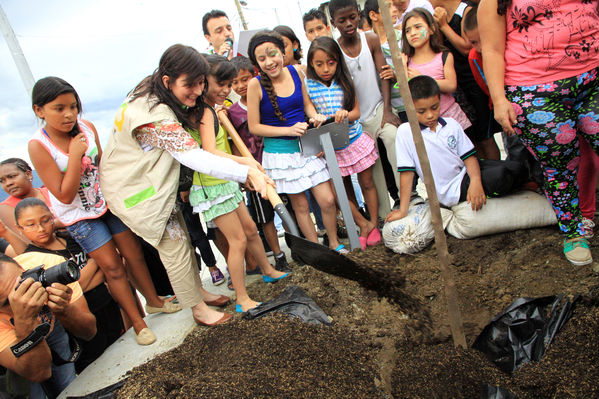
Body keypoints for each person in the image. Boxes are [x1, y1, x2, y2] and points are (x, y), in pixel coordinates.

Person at [99, 44, 274, 326]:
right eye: (189, 85)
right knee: (175, 244)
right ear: (168, 81)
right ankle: (198, 309)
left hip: (148, 181)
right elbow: (195, 157)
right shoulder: (153, 115)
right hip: (134, 190)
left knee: (180, 233)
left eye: (200, 82)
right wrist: (247, 174)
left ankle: (197, 292)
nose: (196, 90)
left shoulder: (153, 84)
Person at [28, 77, 180, 346]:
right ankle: (138, 322)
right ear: (39, 110)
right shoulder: (38, 146)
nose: (69, 114)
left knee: (134, 254)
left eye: (73, 107)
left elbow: (102, 166)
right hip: (80, 216)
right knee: (112, 267)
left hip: (107, 203)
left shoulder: (86, 127)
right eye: (59, 108)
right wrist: (75, 156)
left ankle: (155, 302)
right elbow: (63, 193)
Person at [478, 0, 599, 265]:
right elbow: (492, 49)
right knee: (560, 164)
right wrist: (499, 99)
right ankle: (573, 232)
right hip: (535, 93)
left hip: (593, 77)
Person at [188, 55, 289, 312]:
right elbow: (209, 151)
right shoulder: (204, 112)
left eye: (229, 83)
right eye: (220, 83)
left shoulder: (214, 109)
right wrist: (244, 163)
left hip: (225, 181)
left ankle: (267, 270)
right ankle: (242, 299)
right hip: (212, 187)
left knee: (250, 229)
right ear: (202, 82)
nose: (226, 89)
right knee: (237, 241)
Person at [246, 30, 348, 253]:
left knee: (328, 200)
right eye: (261, 59)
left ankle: (333, 242)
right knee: (300, 206)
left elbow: (307, 104)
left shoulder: (295, 72)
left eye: (272, 54)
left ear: (283, 52)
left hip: (307, 147)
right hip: (281, 154)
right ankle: (317, 252)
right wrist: (288, 129)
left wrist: (313, 116)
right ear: (256, 63)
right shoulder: (255, 85)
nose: (269, 62)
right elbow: (254, 127)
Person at [386, 76, 525, 223]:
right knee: (501, 176)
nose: (430, 115)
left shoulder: (451, 124)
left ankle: (523, 185)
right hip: (452, 190)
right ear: (409, 107)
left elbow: (469, 157)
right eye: (421, 111)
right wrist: (403, 209)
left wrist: (475, 182)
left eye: (434, 107)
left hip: (467, 173)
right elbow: (406, 173)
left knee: (515, 167)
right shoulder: (405, 132)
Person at [14, 198, 123, 373]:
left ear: (52, 217)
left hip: (107, 304)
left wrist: (85, 277)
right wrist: (95, 262)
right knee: (101, 367)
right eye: (31, 225)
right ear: (20, 228)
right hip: (80, 320)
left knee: (123, 347)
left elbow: (109, 267)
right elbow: (73, 289)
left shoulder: (71, 238)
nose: (41, 228)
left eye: (45, 220)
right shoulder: (33, 260)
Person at [304, 37, 381, 250]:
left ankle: (373, 224)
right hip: (331, 147)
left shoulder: (345, 81)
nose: (325, 68)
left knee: (366, 183)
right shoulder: (308, 84)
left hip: (353, 140)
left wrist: (345, 114)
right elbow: (309, 107)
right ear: (311, 63)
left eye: (331, 62)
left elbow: (356, 112)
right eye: (319, 64)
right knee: (341, 190)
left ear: (338, 61)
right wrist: (315, 116)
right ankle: (362, 223)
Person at [329, 0, 402, 221]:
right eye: (342, 20)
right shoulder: (335, 50)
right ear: (334, 23)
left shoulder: (369, 39)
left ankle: (408, 196)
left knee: (393, 137)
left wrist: (388, 110)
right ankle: (383, 214)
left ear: (359, 15)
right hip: (356, 119)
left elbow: (384, 76)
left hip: (379, 107)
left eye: (352, 17)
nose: (349, 23)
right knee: (372, 166)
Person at [0, 252, 96, 398]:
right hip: (16, 342)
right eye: (8, 301)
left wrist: (64, 310)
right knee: (33, 392)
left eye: (22, 284)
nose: (22, 298)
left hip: (52, 325)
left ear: (23, 268)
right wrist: (24, 320)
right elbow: (39, 373)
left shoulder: (46, 263)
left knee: (69, 385)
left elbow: (89, 332)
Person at [229, 55, 289, 270]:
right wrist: (244, 172)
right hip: (256, 171)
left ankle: (298, 245)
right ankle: (278, 254)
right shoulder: (232, 113)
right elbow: (235, 146)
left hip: (278, 162)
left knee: (289, 205)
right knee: (266, 218)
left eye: (244, 79)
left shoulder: (265, 100)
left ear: (254, 76)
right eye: (234, 82)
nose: (240, 86)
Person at [431, 0, 501, 160]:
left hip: (475, 83)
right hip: (459, 86)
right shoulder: (441, 16)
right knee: (473, 138)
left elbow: (467, 47)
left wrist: (444, 27)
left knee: (486, 136)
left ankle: (499, 176)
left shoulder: (465, 10)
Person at [401, 9, 472, 131]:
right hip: (425, 125)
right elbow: (404, 94)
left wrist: (423, 79)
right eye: (408, 30)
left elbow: (451, 85)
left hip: (451, 118)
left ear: (432, 29)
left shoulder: (444, 56)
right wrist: (401, 70)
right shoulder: (406, 61)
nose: (412, 33)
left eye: (418, 27)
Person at [0, 158, 55, 255]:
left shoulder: (50, 192)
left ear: (28, 174)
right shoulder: (5, 208)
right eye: (2, 181)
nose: (8, 183)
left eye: (12, 176)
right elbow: (28, 244)